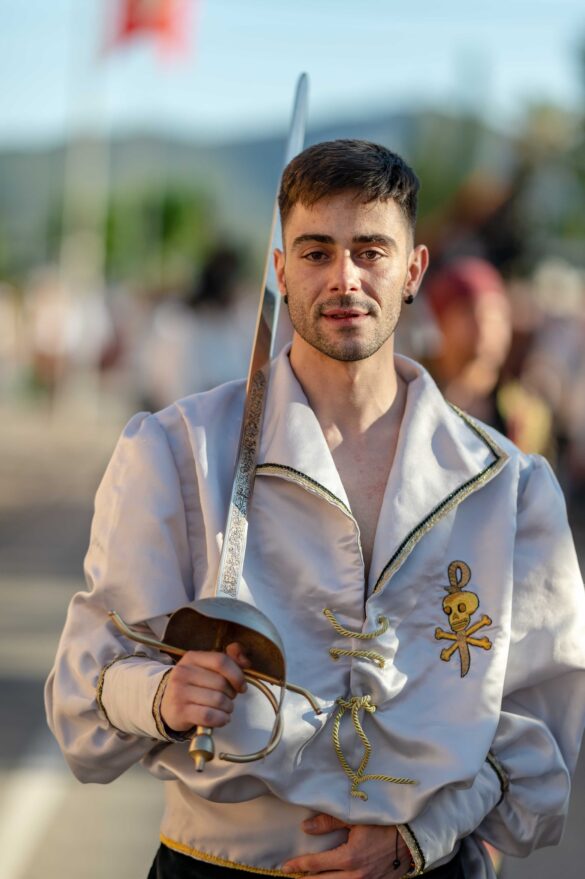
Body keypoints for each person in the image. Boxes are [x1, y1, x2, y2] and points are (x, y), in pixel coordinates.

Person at [46, 140, 585, 879]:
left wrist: (421, 835)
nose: (344, 278)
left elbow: (540, 734)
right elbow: (82, 698)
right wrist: (163, 694)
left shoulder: (507, 484)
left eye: (370, 251)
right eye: (316, 252)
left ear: (413, 271)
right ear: (280, 269)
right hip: (217, 863)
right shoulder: (176, 451)